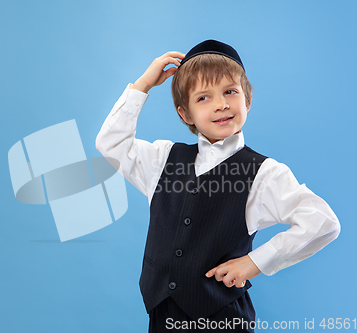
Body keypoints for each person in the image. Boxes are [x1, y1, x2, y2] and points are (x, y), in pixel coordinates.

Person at [95, 39, 340, 332]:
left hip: (224, 320)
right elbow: (110, 144)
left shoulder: (264, 173)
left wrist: (255, 262)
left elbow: (323, 222)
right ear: (185, 115)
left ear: (247, 100)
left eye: (230, 92)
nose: (221, 104)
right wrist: (142, 85)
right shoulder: (162, 159)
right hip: (163, 316)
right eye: (203, 98)